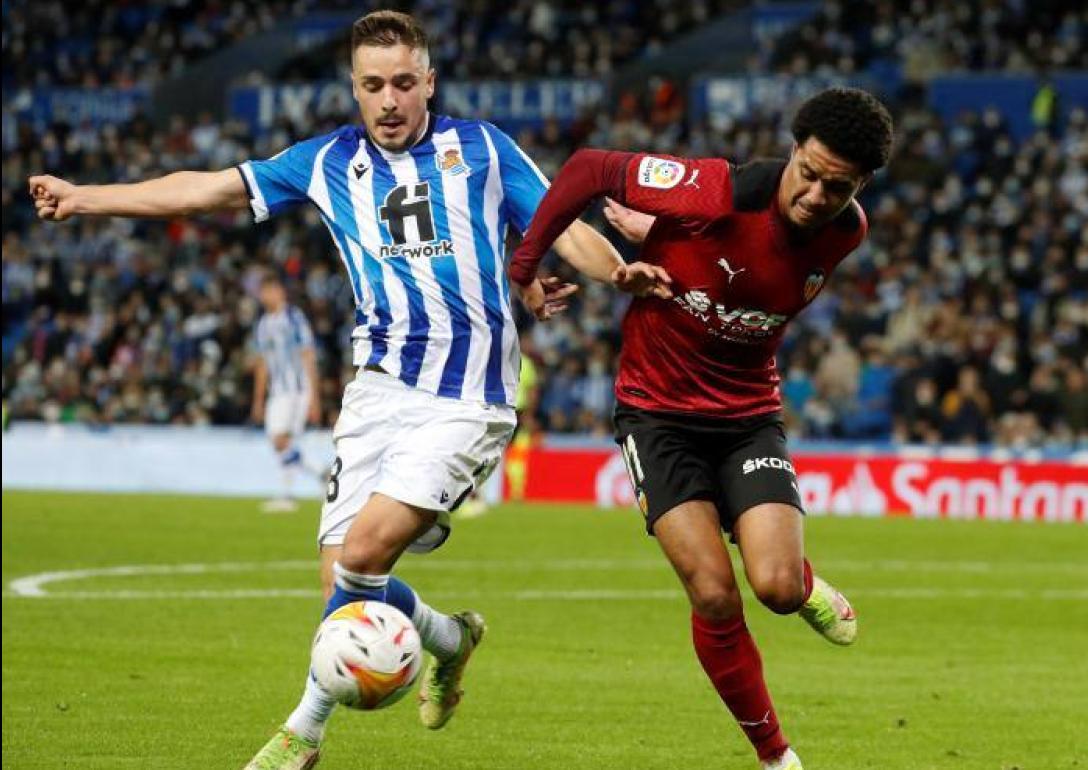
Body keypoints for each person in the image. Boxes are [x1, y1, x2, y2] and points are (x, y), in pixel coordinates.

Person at [29, 10, 667, 769]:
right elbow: (209, 190)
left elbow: (565, 224)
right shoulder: (326, 161)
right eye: (374, 86)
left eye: (404, 82)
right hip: (374, 393)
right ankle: (450, 638)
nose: (390, 100)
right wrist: (88, 197)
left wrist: (616, 271)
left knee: (364, 556)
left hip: (465, 397)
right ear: (354, 89)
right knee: (343, 579)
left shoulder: (484, 150)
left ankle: (303, 731)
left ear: (429, 81)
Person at [510, 87, 894, 770]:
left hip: (747, 417)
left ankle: (804, 586)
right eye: (806, 172)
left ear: (858, 187)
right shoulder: (713, 190)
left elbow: (747, 283)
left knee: (774, 587)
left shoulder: (847, 232)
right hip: (656, 415)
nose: (812, 195)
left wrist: (661, 237)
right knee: (716, 592)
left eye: (835, 188)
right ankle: (777, 756)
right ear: (792, 150)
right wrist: (525, 265)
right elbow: (589, 169)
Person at [250, 273, 324, 513]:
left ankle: (289, 493)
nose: (263, 296)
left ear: (279, 291)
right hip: (277, 391)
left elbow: (308, 354)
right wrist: (258, 400)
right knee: (282, 442)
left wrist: (314, 395)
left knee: (280, 440)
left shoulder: (293, 317)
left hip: (296, 388)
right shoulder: (263, 324)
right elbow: (262, 364)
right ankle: (319, 474)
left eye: (267, 290)